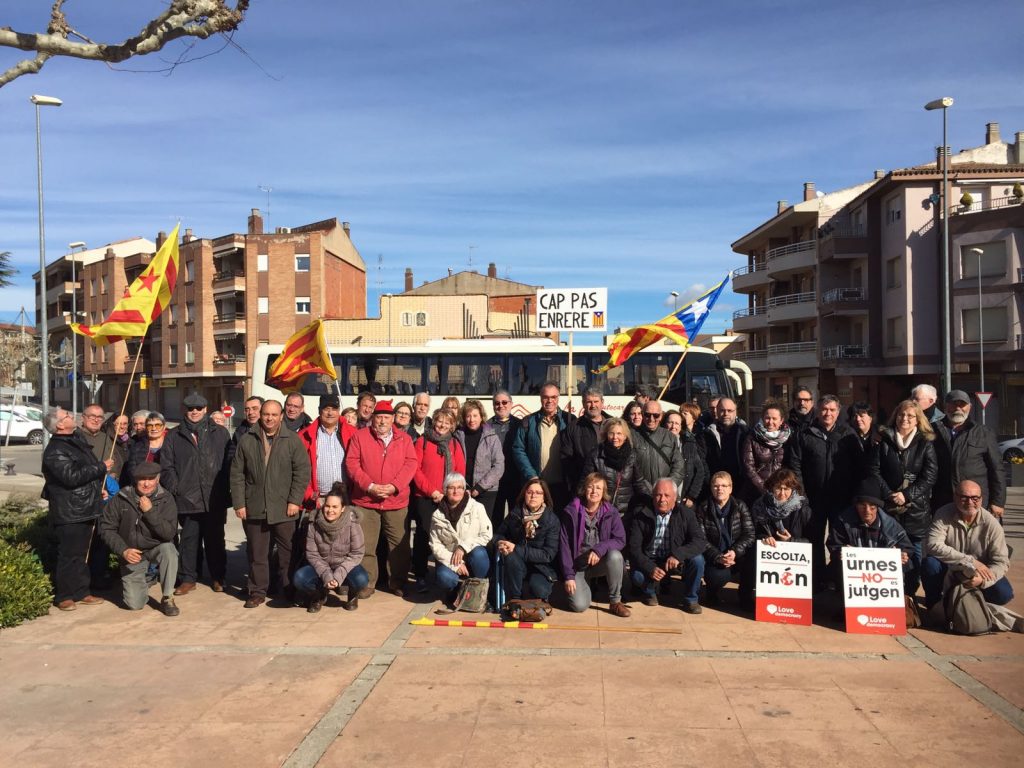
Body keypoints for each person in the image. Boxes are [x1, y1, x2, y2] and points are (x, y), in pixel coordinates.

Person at [230, 400, 311, 608]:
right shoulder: (247, 440)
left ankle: (288, 590)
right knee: (258, 554)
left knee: (287, 554)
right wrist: (239, 503)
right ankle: (257, 591)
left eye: (274, 414)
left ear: (281, 416)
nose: (269, 418)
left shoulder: (292, 440)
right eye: (266, 414)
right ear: (261, 414)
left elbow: (302, 473)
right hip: (254, 507)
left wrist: (295, 500)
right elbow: (237, 474)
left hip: (284, 508)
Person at [160, 393, 232, 595]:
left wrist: (224, 489)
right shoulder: (174, 436)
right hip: (187, 498)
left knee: (215, 540)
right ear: (185, 410)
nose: (194, 412)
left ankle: (218, 577)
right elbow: (166, 467)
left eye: (198, 408)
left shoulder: (220, 433)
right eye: (190, 409)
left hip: (214, 498)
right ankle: (188, 578)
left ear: (205, 409)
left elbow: (229, 463)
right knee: (189, 541)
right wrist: (178, 488)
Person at [345, 400, 418, 597]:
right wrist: (370, 486)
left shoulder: (404, 439)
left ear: (393, 419)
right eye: (379, 417)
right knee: (366, 544)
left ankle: (397, 582)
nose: (382, 421)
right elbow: (352, 464)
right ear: (373, 418)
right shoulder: (359, 437)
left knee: (399, 546)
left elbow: (411, 464)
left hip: (396, 501)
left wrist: (394, 486)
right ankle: (368, 583)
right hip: (366, 501)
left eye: (387, 417)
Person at [41, 408, 112, 611]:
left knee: (82, 553)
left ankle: (82, 591)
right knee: (68, 555)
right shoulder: (55, 450)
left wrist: (99, 491)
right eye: (67, 416)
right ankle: (64, 595)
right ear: (59, 425)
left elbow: (85, 473)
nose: (73, 416)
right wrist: (101, 467)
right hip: (70, 512)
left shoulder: (75, 440)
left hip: (86, 506)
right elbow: (71, 477)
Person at [786, 394, 857, 587]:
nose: (828, 413)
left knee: (838, 541)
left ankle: (836, 579)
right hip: (812, 498)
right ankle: (815, 579)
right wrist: (802, 494)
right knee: (813, 539)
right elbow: (795, 465)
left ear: (838, 412)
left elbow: (858, 466)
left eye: (832, 410)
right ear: (818, 410)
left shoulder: (848, 434)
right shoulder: (805, 433)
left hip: (840, 498)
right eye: (824, 409)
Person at [872, 400, 938, 596]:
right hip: (888, 507)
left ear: (918, 419)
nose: (905, 419)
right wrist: (889, 494)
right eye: (902, 414)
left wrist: (907, 495)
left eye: (910, 415)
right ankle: (889, 594)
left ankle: (909, 596)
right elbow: (874, 470)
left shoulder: (925, 442)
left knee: (914, 555)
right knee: (887, 551)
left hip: (915, 509)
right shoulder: (883, 439)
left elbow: (930, 475)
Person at [98, 461, 180, 616]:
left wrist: (150, 512)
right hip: (132, 554)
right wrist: (123, 551)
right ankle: (146, 578)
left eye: (151, 479)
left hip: (155, 548)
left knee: (169, 550)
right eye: (142, 479)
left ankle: (168, 597)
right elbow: (106, 528)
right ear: (136, 480)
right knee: (135, 604)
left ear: (158, 479)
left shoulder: (166, 498)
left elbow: (169, 533)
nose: (147, 483)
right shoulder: (121, 497)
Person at [922, 480, 1012, 610]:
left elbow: (1001, 562)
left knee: (1004, 593)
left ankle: (975, 605)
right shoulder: (943, 513)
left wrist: (982, 580)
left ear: (981, 499)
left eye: (975, 498)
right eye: (964, 497)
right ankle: (934, 606)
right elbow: (932, 545)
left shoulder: (992, 524)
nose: (970, 502)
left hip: (978, 573)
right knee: (930, 564)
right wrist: (970, 561)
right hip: (950, 568)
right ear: (955, 497)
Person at [628, 478, 707, 613]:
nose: (662, 499)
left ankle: (691, 599)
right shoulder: (640, 514)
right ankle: (650, 591)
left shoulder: (687, 514)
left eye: (667, 495)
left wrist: (678, 555)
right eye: (658, 495)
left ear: (675, 497)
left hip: (674, 560)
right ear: (653, 496)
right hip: (651, 559)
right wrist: (650, 567)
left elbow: (700, 540)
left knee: (698, 560)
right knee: (637, 575)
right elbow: (633, 548)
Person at [558, 472, 630, 617]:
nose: (594, 491)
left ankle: (615, 601)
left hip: (599, 563)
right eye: (590, 487)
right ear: (584, 490)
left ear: (603, 492)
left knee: (615, 556)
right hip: (577, 565)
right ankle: (584, 585)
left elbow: (620, 539)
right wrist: (569, 576)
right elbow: (564, 545)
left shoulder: (611, 512)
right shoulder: (571, 511)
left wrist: (599, 549)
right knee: (579, 606)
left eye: (598, 488)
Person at [411, 408, 467, 592]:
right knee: (424, 535)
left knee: (447, 536)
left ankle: (445, 572)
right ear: (433, 421)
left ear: (452, 425)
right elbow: (415, 470)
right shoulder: (422, 441)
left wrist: (453, 494)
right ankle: (420, 574)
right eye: (439, 421)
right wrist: (432, 491)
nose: (442, 425)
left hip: (448, 499)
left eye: (447, 422)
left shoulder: (455, 444)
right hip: (426, 497)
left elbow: (459, 472)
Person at [827, 478, 914, 592]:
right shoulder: (843, 521)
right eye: (862, 505)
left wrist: (903, 554)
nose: (867, 510)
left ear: (877, 507)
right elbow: (833, 544)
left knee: (907, 564)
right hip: (854, 577)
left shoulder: (890, 525)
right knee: (835, 566)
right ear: (856, 505)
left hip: (880, 577)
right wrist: (840, 552)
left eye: (872, 506)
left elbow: (907, 547)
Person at [293, 485, 368, 612]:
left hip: (345, 564)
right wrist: (327, 575)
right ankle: (319, 594)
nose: (330, 510)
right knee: (299, 578)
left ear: (343, 508)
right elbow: (312, 554)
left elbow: (357, 553)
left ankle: (352, 595)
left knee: (362, 579)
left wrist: (338, 575)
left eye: (335, 507)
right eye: (327, 506)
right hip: (320, 565)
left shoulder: (352, 523)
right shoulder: (313, 523)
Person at [932, 390, 1005, 517]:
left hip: (976, 502)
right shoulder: (932, 431)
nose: (958, 408)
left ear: (969, 407)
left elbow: (997, 469)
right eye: (954, 404)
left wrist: (998, 501)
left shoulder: (983, 433)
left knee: (977, 536)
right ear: (945, 406)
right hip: (942, 501)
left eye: (962, 404)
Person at [512, 382, 577, 511]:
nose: (549, 401)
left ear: (558, 398)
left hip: (562, 486)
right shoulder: (528, 421)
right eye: (546, 397)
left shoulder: (569, 420)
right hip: (537, 485)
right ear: (540, 398)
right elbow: (518, 449)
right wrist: (531, 475)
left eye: (553, 397)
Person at [430, 472, 493, 602]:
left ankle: (479, 589)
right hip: (451, 559)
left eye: (460, 487)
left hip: (472, 556)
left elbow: (487, 534)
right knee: (444, 577)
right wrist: (455, 565)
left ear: (465, 490)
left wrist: (463, 547)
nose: (456, 491)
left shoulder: (477, 507)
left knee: (479, 554)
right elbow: (435, 545)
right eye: (451, 488)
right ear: (445, 490)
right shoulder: (437, 515)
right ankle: (456, 590)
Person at [696, 471, 755, 608]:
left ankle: (745, 598)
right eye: (716, 486)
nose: (720, 489)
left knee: (753, 560)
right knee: (717, 577)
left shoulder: (740, 506)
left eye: (724, 485)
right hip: (715, 556)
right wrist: (718, 556)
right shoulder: (703, 508)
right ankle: (712, 593)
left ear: (731, 488)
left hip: (737, 554)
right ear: (711, 488)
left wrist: (734, 551)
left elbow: (749, 534)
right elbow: (701, 539)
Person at [493, 478, 559, 601]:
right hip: (518, 564)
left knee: (539, 591)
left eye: (538, 493)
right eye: (529, 492)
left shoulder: (551, 520)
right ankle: (515, 598)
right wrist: (501, 543)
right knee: (511, 556)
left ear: (544, 497)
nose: (533, 496)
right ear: (525, 494)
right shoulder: (516, 514)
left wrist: (516, 548)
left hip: (540, 567)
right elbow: (498, 534)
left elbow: (548, 555)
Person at [299, 393, 355, 512]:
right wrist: (310, 495)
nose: (330, 413)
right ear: (319, 410)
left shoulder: (353, 433)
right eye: (326, 409)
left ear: (339, 411)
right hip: (319, 500)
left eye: (334, 409)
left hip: (346, 498)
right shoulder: (304, 436)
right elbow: (299, 470)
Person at [455, 399, 504, 522]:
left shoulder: (492, 437)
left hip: (486, 491)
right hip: (462, 490)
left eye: (475, 416)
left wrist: (480, 487)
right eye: (468, 416)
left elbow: (498, 466)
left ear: (481, 416)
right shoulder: (457, 436)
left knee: (483, 527)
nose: (472, 420)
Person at [631, 399, 686, 509]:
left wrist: (666, 488)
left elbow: (678, 467)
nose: (651, 419)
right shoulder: (632, 435)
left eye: (655, 415)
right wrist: (646, 489)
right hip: (640, 496)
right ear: (642, 414)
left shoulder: (669, 437)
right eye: (647, 415)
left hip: (665, 498)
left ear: (660, 416)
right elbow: (630, 467)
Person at [582, 418, 640, 514]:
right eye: (611, 433)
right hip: (601, 510)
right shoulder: (596, 454)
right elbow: (585, 482)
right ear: (606, 434)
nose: (615, 437)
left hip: (625, 511)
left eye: (619, 434)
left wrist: (650, 499)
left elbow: (639, 482)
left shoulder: (632, 455)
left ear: (625, 436)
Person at [560, 388, 610, 497]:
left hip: (611, 486)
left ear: (602, 403)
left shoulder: (613, 424)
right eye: (589, 402)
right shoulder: (573, 428)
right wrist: (577, 485)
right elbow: (566, 459)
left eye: (596, 401)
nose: (593, 405)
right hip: (585, 489)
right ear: (583, 404)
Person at [698, 397, 749, 501]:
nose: (726, 414)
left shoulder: (746, 433)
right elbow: (702, 461)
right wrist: (711, 483)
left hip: (741, 488)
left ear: (735, 412)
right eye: (722, 410)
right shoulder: (706, 435)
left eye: (730, 411)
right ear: (717, 411)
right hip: (715, 488)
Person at [741, 400, 791, 505]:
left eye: (774, 419)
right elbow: (748, 466)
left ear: (781, 420)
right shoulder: (752, 437)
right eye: (767, 418)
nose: (770, 422)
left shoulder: (789, 438)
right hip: (756, 492)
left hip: (781, 492)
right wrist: (764, 488)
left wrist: (782, 488)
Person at [752, 468, 813, 546]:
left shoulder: (803, 509)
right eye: (778, 488)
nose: (782, 493)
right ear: (771, 488)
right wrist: (764, 538)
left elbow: (812, 539)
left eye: (786, 489)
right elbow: (752, 534)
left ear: (793, 489)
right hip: (769, 554)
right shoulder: (760, 506)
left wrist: (790, 541)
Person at [488, 389, 521, 522]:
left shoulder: (520, 425)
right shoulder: (486, 426)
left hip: (515, 478)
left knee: (516, 515)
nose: (500, 405)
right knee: (495, 516)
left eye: (504, 402)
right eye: (497, 403)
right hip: (494, 480)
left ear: (511, 404)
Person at [79, 403, 123, 481]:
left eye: (100, 417)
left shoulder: (105, 437)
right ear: (83, 418)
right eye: (92, 416)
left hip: (107, 484)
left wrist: (114, 474)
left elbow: (116, 460)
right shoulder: (76, 437)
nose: (96, 420)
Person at [126, 411, 167, 482]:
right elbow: (132, 469)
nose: (153, 429)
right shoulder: (137, 446)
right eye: (150, 426)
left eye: (157, 425)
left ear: (163, 427)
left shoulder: (171, 442)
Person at [847, 401, 882, 485]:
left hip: (876, 483)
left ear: (870, 418)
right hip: (853, 482)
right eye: (855, 416)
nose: (858, 419)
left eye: (861, 416)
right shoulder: (847, 436)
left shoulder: (880, 435)